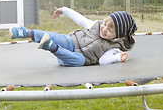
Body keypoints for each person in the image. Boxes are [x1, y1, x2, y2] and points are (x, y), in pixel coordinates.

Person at [9, 7, 137, 67]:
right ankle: (25, 32)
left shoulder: (114, 48)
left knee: (80, 61)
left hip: (72, 58)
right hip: (72, 42)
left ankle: (51, 47)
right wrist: (64, 10)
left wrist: (117, 57)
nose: (103, 29)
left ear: (118, 36)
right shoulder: (95, 25)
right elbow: (80, 19)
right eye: (104, 24)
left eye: (109, 30)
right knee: (55, 36)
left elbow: (103, 61)